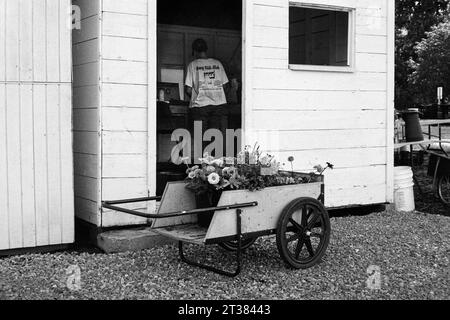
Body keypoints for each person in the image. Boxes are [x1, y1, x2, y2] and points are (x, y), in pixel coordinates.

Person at [185, 38, 229, 150]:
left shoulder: (192, 65)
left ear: (194, 51)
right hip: (218, 106)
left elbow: (188, 89)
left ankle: (201, 165)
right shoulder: (217, 64)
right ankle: (214, 166)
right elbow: (225, 86)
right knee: (215, 139)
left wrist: (199, 96)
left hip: (199, 108)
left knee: (200, 140)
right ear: (206, 49)